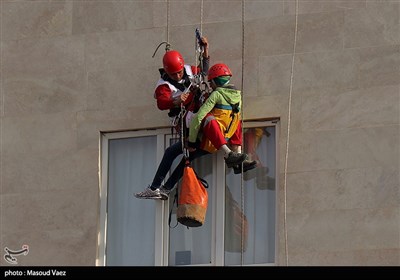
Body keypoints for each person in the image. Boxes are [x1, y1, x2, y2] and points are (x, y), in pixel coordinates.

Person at [134, 40, 250, 200]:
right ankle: (161, 188)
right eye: (174, 74)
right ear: (167, 72)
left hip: (197, 116)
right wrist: (176, 100)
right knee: (184, 154)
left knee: (184, 153)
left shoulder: (189, 70)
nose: (178, 75)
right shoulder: (164, 85)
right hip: (184, 120)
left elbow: (203, 72)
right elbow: (162, 103)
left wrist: (205, 50)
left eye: (179, 72)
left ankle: (159, 187)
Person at [187, 63, 257, 174]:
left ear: (216, 81)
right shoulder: (238, 96)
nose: (210, 86)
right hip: (223, 137)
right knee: (236, 118)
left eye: (211, 83)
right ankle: (236, 155)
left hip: (211, 140)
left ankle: (232, 156)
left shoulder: (216, 94)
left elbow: (198, 118)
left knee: (208, 117)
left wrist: (191, 142)